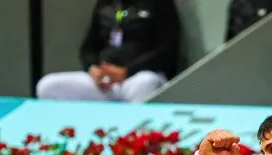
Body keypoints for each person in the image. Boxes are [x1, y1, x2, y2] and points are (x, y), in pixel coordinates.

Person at [35, 0, 180, 103]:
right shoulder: (105, 4)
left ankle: (134, 141)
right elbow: (88, 48)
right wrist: (93, 69)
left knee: (145, 83)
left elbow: (166, 52)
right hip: (105, 81)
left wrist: (126, 72)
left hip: (137, 77)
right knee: (48, 86)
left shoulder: (159, 3)